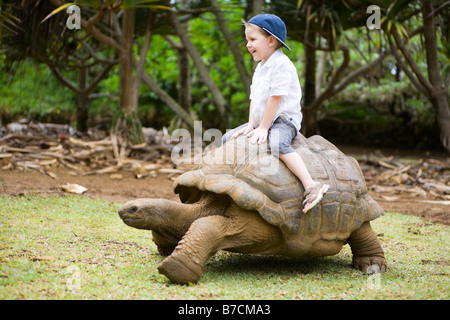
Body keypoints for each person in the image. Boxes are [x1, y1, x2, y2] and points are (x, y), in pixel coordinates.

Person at [222, 14, 329, 213]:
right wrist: (252, 124)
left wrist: (264, 127)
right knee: (227, 137)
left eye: (253, 40)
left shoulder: (282, 65)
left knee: (277, 144)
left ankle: (311, 185)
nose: (248, 44)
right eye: (247, 40)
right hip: (263, 120)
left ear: (271, 41)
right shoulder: (260, 67)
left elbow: (275, 98)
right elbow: (255, 98)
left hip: (283, 120)